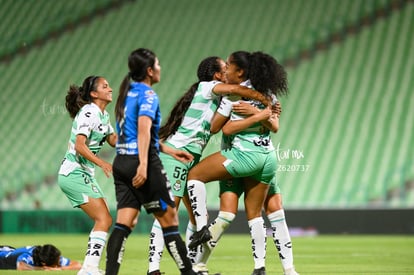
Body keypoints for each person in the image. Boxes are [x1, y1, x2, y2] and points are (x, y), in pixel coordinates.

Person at [147, 56, 269, 275]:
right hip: (176, 157)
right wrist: (266, 101)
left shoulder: (214, 96)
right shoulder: (209, 87)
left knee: (192, 218)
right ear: (217, 75)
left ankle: (194, 268)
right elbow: (241, 91)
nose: (228, 71)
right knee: (168, 212)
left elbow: (213, 128)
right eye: (225, 68)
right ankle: (153, 269)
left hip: (189, 158)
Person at [186, 51, 289, 275]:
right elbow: (275, 126)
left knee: (194, 176)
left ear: (240, 71)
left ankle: (201, 231)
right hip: (266, 156)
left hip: (241, 156)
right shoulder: (268, 93)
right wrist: (264, 112)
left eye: (229, 66)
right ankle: (269, 269)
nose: (225, 71)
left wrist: (255, 115)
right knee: (252, 214)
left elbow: (220, 128)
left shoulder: (233, 95)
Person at [105, 48, 199, 275]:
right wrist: (144, 165)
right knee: (170, 219)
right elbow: (144, 130)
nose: (160, 68)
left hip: (122, 162)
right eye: (157, 64)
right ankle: (189, 273)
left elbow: (134, 133)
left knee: (124, 223)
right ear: (149, 70)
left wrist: (171, 151)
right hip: (141, 162)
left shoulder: (125, 94)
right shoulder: (147, 95)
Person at [58, 76, 116, 275]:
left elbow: (113, 140)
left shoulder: (103, 115)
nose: (110, 89)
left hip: (83, 173)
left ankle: (89, 268)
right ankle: (89, 269)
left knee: (105, 218)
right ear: (93, 94)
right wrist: (102, 163)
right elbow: (80, 145)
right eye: (105, 86)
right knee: (104, 218)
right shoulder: (89, 112)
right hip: (74, 172)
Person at [0, 245, 81, 270]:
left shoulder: (50, 255)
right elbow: (21, 266)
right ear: (44, 263)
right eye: (56, 264)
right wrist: (43, 269)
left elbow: (78, 265)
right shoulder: (28, 256)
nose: (59, 264)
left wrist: (60, 268)